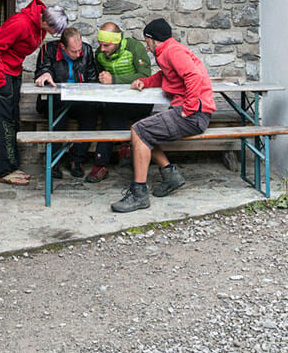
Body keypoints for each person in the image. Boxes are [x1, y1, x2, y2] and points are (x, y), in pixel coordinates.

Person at [112, 19, 214, 213]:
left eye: (146, 41)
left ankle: (139, 194)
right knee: (144, 131)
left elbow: (193, 76)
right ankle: (170, 175)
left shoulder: (172, 52)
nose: (146, 45)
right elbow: (165, 76)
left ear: (151, 39)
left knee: (139, 131)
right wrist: (145, 81)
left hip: (194, 114)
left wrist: (189, 107)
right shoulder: (168, 51)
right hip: (193, 112)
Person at [0, 0, 69, 186]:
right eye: (55, 31)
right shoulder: (20, 23)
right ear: (46, 23)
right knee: (3, 120)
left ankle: (12, 166)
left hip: (12, 70)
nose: (55, 34)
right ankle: (4, 171)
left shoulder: (40, 25)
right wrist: (1, 79)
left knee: (12, 117)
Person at [90, 21, 153, 182]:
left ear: (116, 42)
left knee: (110, 115)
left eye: (106, 46)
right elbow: (98, 76)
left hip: (140, 102)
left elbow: (145, 74)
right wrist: (102, 79)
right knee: (109, 112)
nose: (102, 49)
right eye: (100, 45)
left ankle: (101, 164)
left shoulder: (134, 48)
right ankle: (124, 148)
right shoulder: (99, 54)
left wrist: (115, 79)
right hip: (116, 103)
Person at [34, 25, 100, 178]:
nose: (78, 54)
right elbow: (43, 70)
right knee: (58, 116)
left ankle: (77, 159)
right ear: (62, 46)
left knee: (90, 114)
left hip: (78, 100)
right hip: (56, 100)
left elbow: (92, 78)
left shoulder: (87, 50)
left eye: (79, 50)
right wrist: (45, 74)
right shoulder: (48, 50)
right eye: (73, 51)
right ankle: (55, 161)